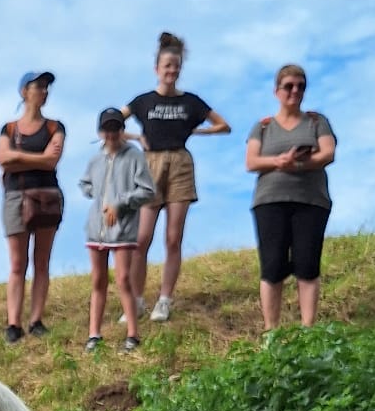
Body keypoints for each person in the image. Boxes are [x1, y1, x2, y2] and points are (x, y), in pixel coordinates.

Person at [126, 31, 231, 323]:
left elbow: (224, 125)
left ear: (180, 69)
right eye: (166, 66)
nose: (171, 71)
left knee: (173, 238)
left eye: (176, 67)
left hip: (180, 164)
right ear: (156, 69)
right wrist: (136, 137)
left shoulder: (191, 102)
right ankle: (135, 301)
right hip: (150, 165)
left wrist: (198, 131)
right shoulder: (143, 101)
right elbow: (110, 123)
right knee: (141, 238)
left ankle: (164, 299)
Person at [244, 64, 337, 331]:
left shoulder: (317, 122)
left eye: (300, 86)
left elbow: (327, 153)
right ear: (277, 91)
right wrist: (279, 161)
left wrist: (297, 165)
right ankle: (271, 331)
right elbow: (251, 162)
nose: (295, 91)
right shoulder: (262, 127)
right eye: (289, 86)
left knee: (307, 264)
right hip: (270, 200)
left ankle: (308, 329)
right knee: (272, 266)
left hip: (311, 201)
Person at [78, 108, 156, 355]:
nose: (111, 134)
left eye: (116, 128)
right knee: (98, 280)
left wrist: (121, 203)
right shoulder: (95, 159)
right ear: (101, 131)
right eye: (107, 129)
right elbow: (85, 183)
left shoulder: (134, 157)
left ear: (123, 130)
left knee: (123, 278)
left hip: (122, 229)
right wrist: (95, 196)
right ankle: (94, 334)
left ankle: (132, 333)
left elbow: (147, 190)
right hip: (96, 229)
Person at [0, 71, 65, 343]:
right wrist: (37, 157)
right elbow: (2, 158)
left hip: (46, 195)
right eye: (39, 86)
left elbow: (52, 161)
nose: (44, 91)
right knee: (17, 262)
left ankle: (36, 320)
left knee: (41, 261)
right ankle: (13, 323)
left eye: (47, 87)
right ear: (24, 91)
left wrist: (19, 158)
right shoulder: (9, 128)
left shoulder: (55, 126)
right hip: (16, 196)